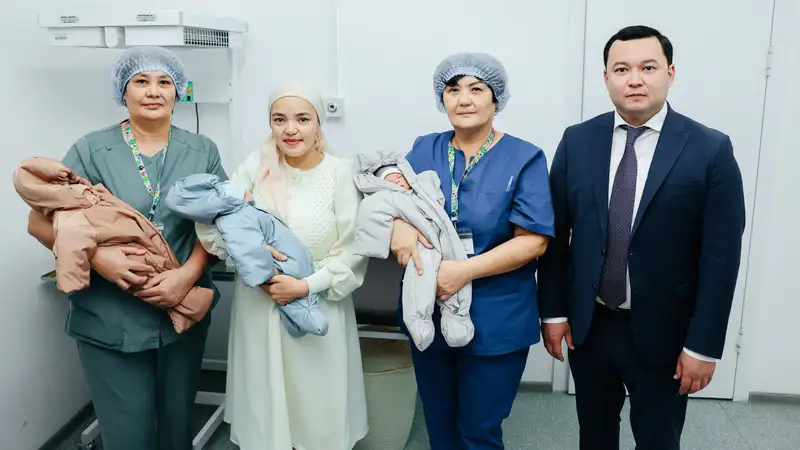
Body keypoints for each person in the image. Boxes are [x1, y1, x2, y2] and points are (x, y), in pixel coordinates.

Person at [537, 25, 746, 449]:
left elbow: (721, 259)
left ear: (670, 73)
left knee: (658, 439)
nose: (634, 79)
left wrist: (703, 347)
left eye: (648, 67)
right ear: (606, 78)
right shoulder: (577, 141)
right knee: (594, 436)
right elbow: (556, 237)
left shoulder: (711, 149)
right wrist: (553, 313)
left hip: (666, 331)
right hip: (591, 325)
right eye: (621, 69)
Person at [25, 46, 228, 449]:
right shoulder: (91, 150)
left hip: (181, 311)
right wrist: (100, 259)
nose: (153, 91)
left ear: (178, 91)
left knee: (176, 430)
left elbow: (218, 224)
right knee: (128, 434)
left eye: (164, 82)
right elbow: (38, 222)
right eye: (141, 81)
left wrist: (186, 277)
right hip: (110, 312)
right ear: (123, 90)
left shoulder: (202, 150)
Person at [389, 52, 555, 449]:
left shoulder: (524, 157)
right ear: (442, 98)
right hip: (428, 308)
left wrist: (462, 272)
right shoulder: (424, 148)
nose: (464, 99)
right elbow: (395, 200)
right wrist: (398, 227)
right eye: (453, 90)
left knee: (478, 431)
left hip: (496, 317)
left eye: (476, 89)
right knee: (439, 424)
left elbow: (534, 240)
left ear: (496, 99)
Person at [194, 84, 368, 450]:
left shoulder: (340, 172)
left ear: (318, 123)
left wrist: (305, 286)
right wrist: (252, 260)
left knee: (319, 413)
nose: (291, 129)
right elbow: (214, 222)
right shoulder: (253, 169)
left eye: (302, 119)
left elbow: (353, 249)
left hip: (320, 303)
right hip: (260, 305)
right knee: (265, 411)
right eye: (279, 119)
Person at [164, 172, 329, 337]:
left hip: (293, 264)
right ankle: (308, 318)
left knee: (294, 294)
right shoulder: (233, 219)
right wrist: (266, 277)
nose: (244, 191)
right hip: (283, 272)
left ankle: (304, 316)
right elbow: (249, 252)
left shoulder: (238, 211)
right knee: (292, 298)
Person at [351, 150, 474, 352]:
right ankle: (420, 324)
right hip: (421, 246)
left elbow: (433, 183)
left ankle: (457, 319)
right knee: (420, 280)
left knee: (457, 269)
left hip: (444, 236)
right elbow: (370, 213)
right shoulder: (386, 197)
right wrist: (389, 231)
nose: (397, 181)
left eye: (399, 176)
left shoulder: (422, 186)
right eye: (390, 180)